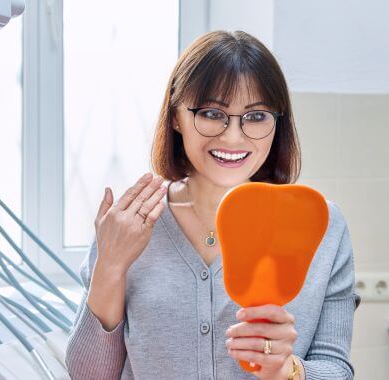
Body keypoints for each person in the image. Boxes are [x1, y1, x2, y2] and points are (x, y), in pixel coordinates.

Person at [65, 30, 359, 380]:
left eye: (256, 116)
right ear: (176, 116)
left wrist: (287, 369)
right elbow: (89, 377)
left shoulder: (322, 227)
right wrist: (109, 266)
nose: (233, 136)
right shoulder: (128, 226)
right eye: (210, 113)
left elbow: (336, 369)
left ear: (277, 123)